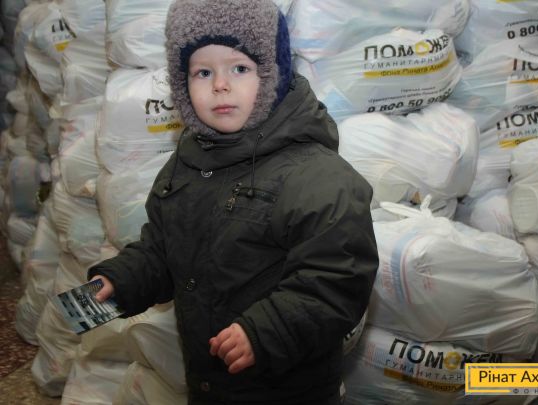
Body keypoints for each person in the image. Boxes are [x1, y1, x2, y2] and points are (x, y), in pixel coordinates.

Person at [88, 0, 378, 403]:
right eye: (202, 72)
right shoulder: (188, 161)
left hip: (286, 389)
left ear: (274, 74)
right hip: (208, 382)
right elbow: (163, 250)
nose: (219, 85)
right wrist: (120, 280)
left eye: (239, 68)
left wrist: (266, 331)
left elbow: (337, 281)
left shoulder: (319, 177)